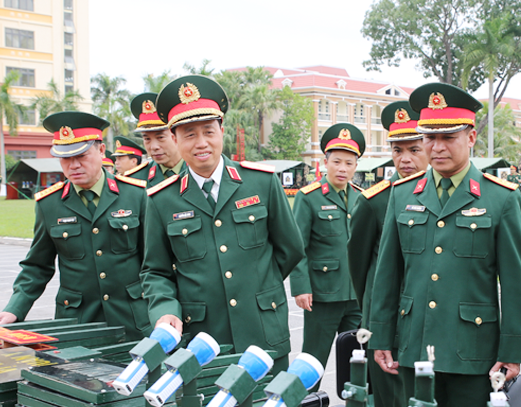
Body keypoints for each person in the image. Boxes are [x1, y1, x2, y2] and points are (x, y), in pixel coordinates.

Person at [369, 83, 521, 407]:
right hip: (414, 343)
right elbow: (387, 275)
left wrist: (512, 350)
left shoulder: (499, 198)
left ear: (470, 136)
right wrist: (381, 336)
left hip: (472, 349)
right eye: (429, 137)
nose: (436, 147)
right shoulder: (401, 195)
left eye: (448, 137)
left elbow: (515, 282)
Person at [142, 75, 304, 375]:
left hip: (263, 332)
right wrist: (165, 310)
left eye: (208, 131)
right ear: (176, 140)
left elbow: (290, 249)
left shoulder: (262, 182)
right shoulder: (161, 200)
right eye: (189, 134)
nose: (201, 143)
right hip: (204, 340)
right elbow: (155, 271)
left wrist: (257, 283)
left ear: (222, 132)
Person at [0, 112, 151, 338]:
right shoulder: (49, 204)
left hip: (133, 319)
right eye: (65, 158)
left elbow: (155, 262)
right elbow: (37, 266)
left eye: (81, 155)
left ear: (101, 151)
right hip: (76, 321)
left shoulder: (136, 195)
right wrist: (14, 309)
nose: (73, 165)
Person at [348, 101, 429, 407]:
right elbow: (360, 268)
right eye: (398, 151)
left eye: (414, 149)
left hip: (431, 324)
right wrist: (375, 319)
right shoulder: (375, 201)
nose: (405, 159)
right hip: (389, 327)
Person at [289, 123, 365, 382]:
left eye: (349, 163)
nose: (343, 169)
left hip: (355, 296)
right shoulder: (308, 197)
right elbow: (296, 246)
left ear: (356, 166)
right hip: (321, 295)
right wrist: (300, 287)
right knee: (312, 361)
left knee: (357, 360)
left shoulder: (361, 197)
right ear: (325, 162)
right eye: (337, 162)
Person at [127, 93, 184, 187]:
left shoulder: (199, 169)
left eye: (160, 137)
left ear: (176, 136)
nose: (154, 147)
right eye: (147, 139)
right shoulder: (136, 180)